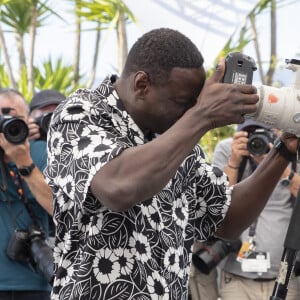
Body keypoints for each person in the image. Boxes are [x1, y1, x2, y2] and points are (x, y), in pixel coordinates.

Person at [44, 28, 299, 300]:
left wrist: (283, 150)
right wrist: (201, 116)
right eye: (182, 102)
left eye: (194, 104)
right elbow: (118, 188)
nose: (188, 111)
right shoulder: (80, 114)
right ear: (142, 85)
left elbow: (226, 219)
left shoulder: (176, 134)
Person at [212, 119, 300, 300]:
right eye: (249, 134)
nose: (255, 140)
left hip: (282, 275)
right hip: (236, 277)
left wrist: (278, 161)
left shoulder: (292, 152)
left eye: (262, 133)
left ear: (276, 132)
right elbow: (217, 204)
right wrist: (234, 162)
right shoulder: (226, 149)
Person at [0, 88, 53, 299]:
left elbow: (57, 208)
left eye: (15, 118)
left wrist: (24, 161)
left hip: (34, 283)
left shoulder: (41, 151)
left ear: (29, 121)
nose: (6, 125)